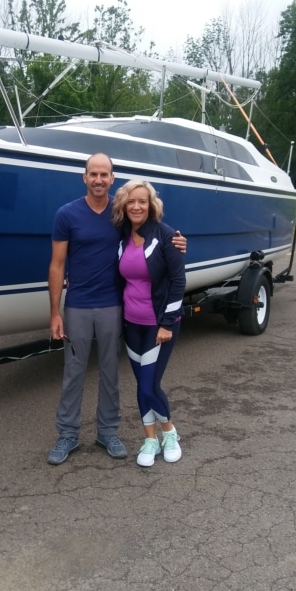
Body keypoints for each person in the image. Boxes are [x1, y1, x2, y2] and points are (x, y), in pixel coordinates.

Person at [47, 153, 186, 465]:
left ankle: (108, 432)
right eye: (93, 174)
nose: (98, 179)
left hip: (113, 306)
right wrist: (55, 312)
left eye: (104, 174)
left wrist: (179, 241)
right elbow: (56, 265)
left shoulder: (121, 214)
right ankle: (67, 434)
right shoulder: (67, 214)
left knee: (110, 372)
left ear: (112, 179)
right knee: (73, 372)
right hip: (78, 306)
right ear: (85, 177)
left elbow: (156, 235)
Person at [112, 179, 186, 467]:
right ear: (124, 205)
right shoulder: (120, 235)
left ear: (151, 205)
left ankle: (169, 433)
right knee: (142, 385)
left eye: (142, 201)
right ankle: (149, 439)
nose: (137, 206)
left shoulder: (167, 236)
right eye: (131, 201)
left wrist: (167, 323)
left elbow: (179, 281)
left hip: (159, 326)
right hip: (132, 324)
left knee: (148, 386)